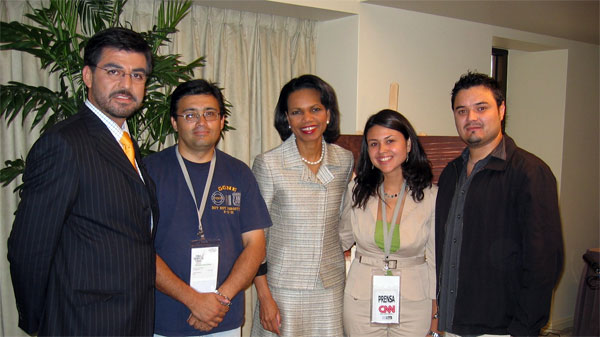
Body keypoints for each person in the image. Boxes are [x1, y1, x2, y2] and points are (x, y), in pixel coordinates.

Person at [7, 27, 158, 336]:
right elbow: (29, 247)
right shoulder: (64, 144)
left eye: (138, 75)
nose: (126, 84)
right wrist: (40, 321)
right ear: (88, 76)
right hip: (83, 323)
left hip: (133, 317)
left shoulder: (124, 143)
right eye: (114, 71)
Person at [435, 72, 564, 337]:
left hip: (502, 328)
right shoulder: (451, 174)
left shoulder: (529, 173)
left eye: (481, 108)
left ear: (501, 110)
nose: (471, 118)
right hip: (453, 322)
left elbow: (544, 262)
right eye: (462, 111)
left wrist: (524, 328)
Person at [144, 79, 271, 337]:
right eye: (190, 115)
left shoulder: (239, 173)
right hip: (162, 320)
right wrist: (194, 300)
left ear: (222, 121)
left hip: (223, 319)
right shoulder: (148, 171)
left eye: (210, 114)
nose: (201, 123)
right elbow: (137, 247)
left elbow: (255, 245)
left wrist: (220, 299)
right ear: (174, 122)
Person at [250, 74, 353, 336]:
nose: (307, 120)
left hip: (329, 288)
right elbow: (257, 238)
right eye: (297, 112)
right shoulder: (269, 164)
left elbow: (345, 219)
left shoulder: (344, 160)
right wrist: (264, 297)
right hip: (282, 289)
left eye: (315, 109)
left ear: (328, 114)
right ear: (286, 118)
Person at [339, 109, 439, 337]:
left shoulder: (431, 196)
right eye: (374, 144)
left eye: (390, 141)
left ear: (409, 144)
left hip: (413, 302)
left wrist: (435, 314)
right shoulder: (356, 191)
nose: (382, 150)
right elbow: (339, 239)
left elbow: (434, 259)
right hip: (361, 299)